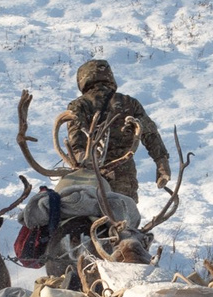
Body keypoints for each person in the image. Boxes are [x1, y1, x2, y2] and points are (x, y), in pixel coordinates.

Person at [61, 59, 169, 201]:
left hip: (90, 177)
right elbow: (150, 134)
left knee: (88, 218)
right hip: (123, 177)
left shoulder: (79, 105)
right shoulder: (130, 103)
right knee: (123, 217)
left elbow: (76, 142)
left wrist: (85, 164)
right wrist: (162, 164)